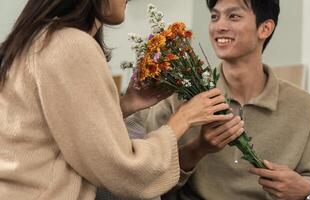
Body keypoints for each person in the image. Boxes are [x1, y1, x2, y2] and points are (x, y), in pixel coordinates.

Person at [0, 0, 235, 199]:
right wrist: (183, 118)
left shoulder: (36, 40)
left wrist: (126, 105)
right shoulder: (70, 45)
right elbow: (124, 170)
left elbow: (59, 129)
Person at [131, 0, 310, 199]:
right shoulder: (178, 97)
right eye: (214, 16)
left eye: (233, 16)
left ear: (265, 28)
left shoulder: (302, 105)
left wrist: (306, 191)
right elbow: (149, 183)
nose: (219, 26)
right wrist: (198, 149)